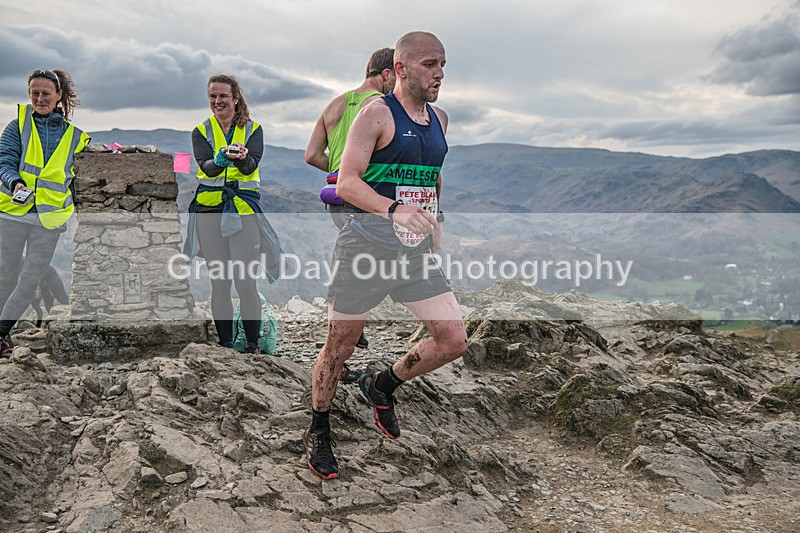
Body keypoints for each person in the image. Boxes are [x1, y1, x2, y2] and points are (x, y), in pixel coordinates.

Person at [303, 31, 467, 480]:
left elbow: (431, 176)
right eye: (430, 64)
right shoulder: (376, 114)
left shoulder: (441, 119)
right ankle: (319, 428)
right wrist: (394, 210)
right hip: (365, 248)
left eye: (443, 65)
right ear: (400, 69)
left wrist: (435, 221)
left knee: (453, 340)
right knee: (339, 347)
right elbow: (347, 183)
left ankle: (384, 382)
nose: (439, 74)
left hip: (414, 253)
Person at [304, 47, 396, 367]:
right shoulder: (381, 106)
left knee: (351, 262)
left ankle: (346, 334)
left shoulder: (335, 104)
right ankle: (341, 342)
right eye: (396, 77)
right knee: (365, 267)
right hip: (365, 197)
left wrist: (338, 173)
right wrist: (355, 176)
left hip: (336, 200)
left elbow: (311, 155)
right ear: (387, 74)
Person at [0, 69, 90, 357]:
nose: (40, 98)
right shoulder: (17, 127)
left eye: (46, 93)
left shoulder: (76, 137)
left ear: (59, 95)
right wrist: (13, 182)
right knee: (6, 277)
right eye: (34, 93)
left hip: (49, 219)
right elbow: (4, 162)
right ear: (29, 94)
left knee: (30, 280)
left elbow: (78, 179)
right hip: (12, 213)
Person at [185, 74, 266, 354]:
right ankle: (226, 345)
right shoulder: (201, 130)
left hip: (243, 209)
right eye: (212, 96)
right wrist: (219, 159)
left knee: (245, 281)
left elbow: (250, 167)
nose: (217, 101)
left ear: (235, 98)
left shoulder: (253, 129)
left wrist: (242, 158)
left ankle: (253, 346)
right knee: (220, 281)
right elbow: (206, 167)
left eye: (222, 96)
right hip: (210, 211)